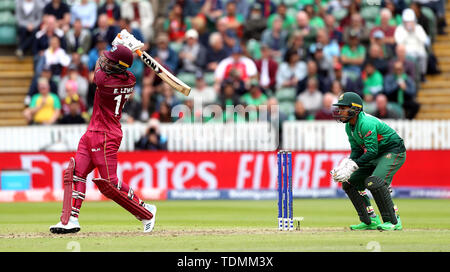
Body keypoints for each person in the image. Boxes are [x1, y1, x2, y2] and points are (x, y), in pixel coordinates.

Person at [49, 44, 157, 234]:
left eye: (110, 61)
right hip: (93, 132)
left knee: (110, 184)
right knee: (75, 172)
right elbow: (114, 62)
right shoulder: (130, 78)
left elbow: (98, 66)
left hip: (106, 136)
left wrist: (119, 44)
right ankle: (70, 220)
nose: (105, 61)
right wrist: (122, 46)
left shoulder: (104, 81)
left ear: (117, 67)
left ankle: (146, 211)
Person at [331, 92, 405, 231]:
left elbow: (371, 151)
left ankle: (394, 221)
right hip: (376, 154)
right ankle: (369, 219)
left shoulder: (366, 123)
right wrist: (345, 165)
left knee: (374, 181)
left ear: (355, 109)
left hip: (393, 151)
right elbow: (357, 151)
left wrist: (354, 165)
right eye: (339, 108)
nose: (340, 111)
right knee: (349, 183)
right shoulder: (349, 126)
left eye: (343, 108)